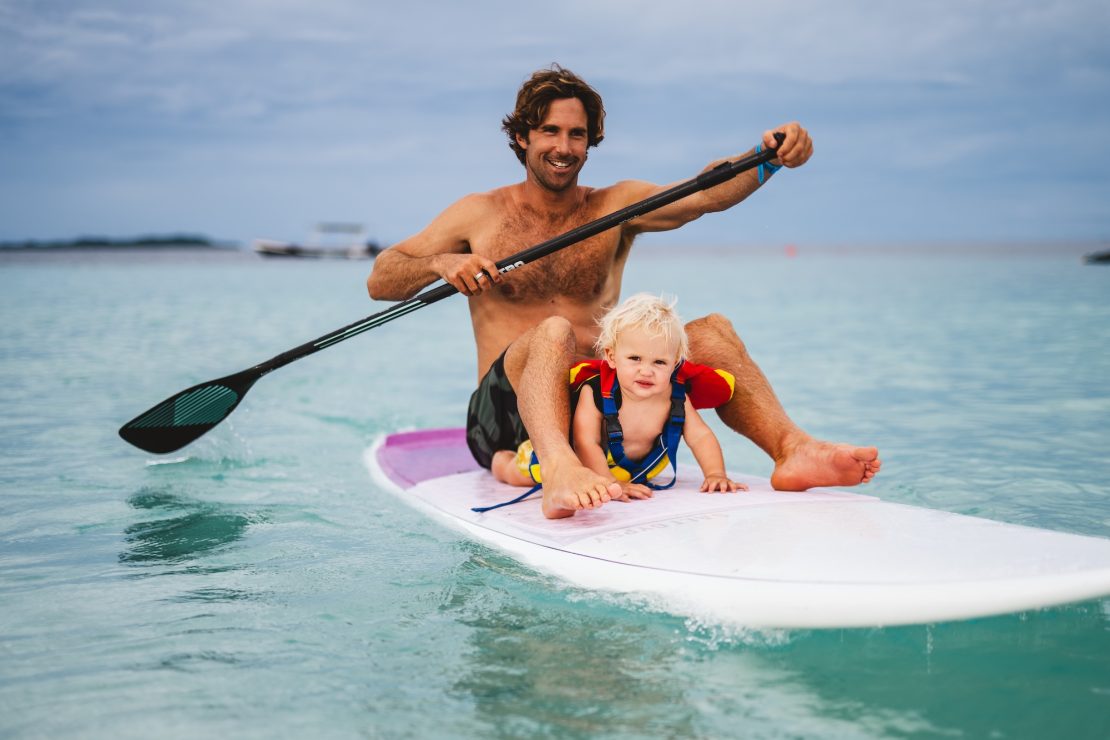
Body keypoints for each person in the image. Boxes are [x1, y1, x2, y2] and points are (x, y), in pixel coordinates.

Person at [367, 64, 880, 520]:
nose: (564, 147)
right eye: (550, 131)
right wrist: (441, 263)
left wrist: (765, 157)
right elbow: (382, 277)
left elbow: (703, 194)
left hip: (607, 404)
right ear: (522, 136)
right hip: (508, 418)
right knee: (554, 332)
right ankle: (559, 469)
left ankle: (792, 449)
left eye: (577, 134)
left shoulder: (614, 207)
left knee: (710, 333)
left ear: (590, 142)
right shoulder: (478, 214)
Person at [491, 293, 747, 509]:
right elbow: (585, 442)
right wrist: (611, 483)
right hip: (586, 464)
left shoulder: (676, 396)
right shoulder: (595, 392)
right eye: (635, 359)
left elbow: (700, 436)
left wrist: (715, 474)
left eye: (659, 362)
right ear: (612, 357)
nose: (646, 371)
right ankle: (501, 462)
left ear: (676, 363)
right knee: (523, 473)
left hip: (637, 469)